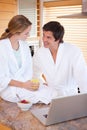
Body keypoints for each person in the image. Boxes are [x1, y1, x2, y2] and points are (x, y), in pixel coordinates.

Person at [33, 21, 87, 97]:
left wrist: (84, 100)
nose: (44, 39)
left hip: (70, 96)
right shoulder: (40, 53)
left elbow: (83, 78)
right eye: (44, 35)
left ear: (58, 39)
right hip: (49, 96)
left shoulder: (73, 51)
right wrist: (42, 85)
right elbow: (34, 73)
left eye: (48, 37)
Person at [0, 15, 39, 103]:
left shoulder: (24, 45)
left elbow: (29, 69)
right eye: (26, 33)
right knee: (37, 99)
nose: (28, 35)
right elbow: (1, 78)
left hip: (24, 83)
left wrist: (31, 83)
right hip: (8, 88)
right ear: (16, 32)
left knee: (48, 93)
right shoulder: (1, 47)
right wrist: (23, 85)